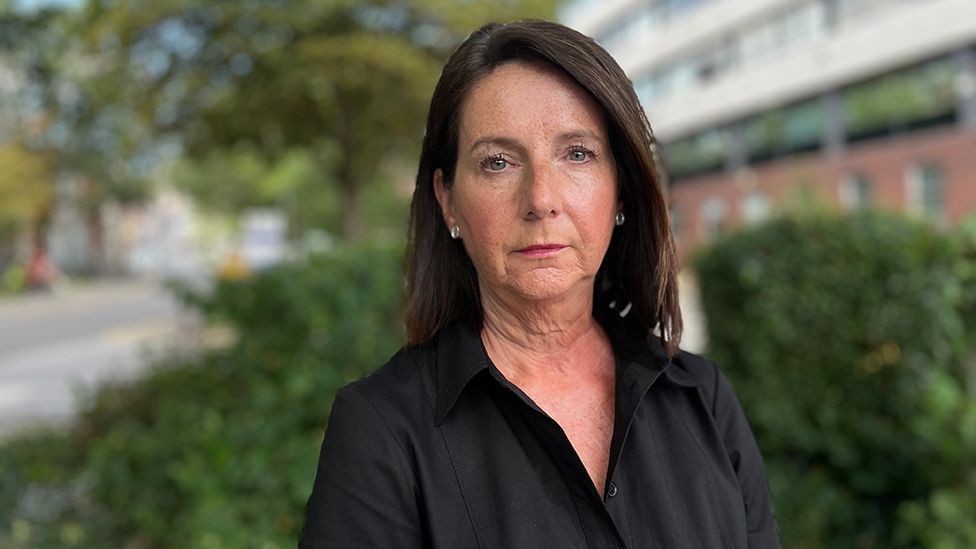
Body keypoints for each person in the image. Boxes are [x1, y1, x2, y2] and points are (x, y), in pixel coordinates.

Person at [301, 20, 780, 548]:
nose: (541, 199)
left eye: (577, 153)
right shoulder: (382, 430)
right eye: (498, 163)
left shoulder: (703, 401)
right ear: (448, 199)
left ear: (621, 190)